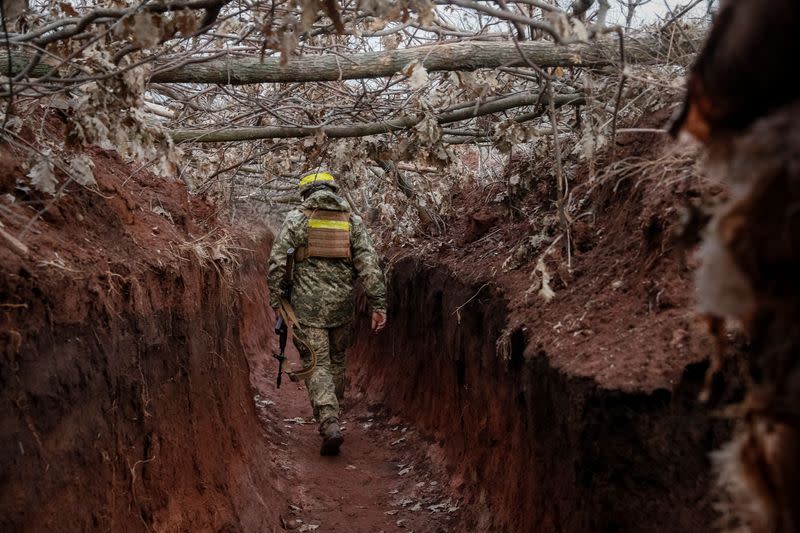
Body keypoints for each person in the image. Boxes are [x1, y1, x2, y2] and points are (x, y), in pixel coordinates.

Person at [268, 171, 388, 455]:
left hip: (307, 311)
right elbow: (369, 266)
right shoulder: (352, 222)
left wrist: (276, 301)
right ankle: (333, 413)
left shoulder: (297, 220)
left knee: (316, 363)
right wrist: (378, 304)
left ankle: (328, 419)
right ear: (333, 190)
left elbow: (275, 263)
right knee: (336, 361)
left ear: (306, 194)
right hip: (343, 309)